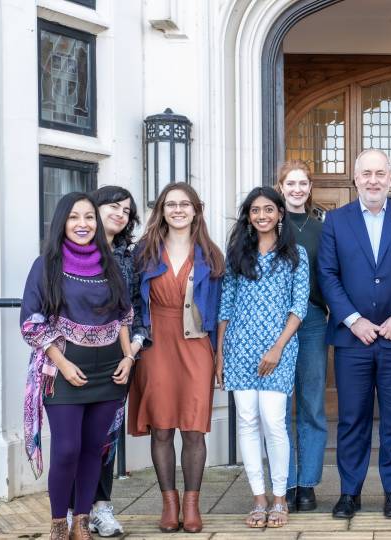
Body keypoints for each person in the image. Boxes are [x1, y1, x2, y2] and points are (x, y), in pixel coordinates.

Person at [318, 149, 391, 519]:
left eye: (380, 173)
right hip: (353, 340)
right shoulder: (336, 221)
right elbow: (328, 275)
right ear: (355, 179)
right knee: (352, 419)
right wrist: (353, 320)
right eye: (366, 173)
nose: (373, 180)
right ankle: (349, 493)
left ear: (390, 178)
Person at [20, 192, 134, 540]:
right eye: (73, 217)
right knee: (68, 448)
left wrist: (128, 357)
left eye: (88, 217)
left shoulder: (109, 264)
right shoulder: (46, 265)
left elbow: (124, 315)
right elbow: (32, 322)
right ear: (61, 222)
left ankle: (82, 522)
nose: (82, 224)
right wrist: (63, 363)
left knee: (94, 449)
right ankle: (59, 523)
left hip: (110, 372)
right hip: (63, 373)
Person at [128, 183, 225, 534]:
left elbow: (220, 311)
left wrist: (219, 356)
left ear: (196, 210)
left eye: (185, 204)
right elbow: (130, 303)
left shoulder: (211, 255)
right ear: (162, 210)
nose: (178, 210)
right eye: (171, 204)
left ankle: (192, 505)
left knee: (194, 429)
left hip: (197, 346)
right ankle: (169, 504)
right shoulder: (144, 252)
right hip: (156, 345)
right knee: (162, 427)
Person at [216, 187, 310, 529]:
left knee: (273, 421)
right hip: (239, 348)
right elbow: (225, 306)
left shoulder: (296, 254)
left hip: (278, 348)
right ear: (249, 216)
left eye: (268, 209)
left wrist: (277, 348)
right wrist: (220, 354)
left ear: (280, 213)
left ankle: (280, 496)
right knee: (247, 420)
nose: (262, 216)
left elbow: (299, 306)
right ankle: (259, 497)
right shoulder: (237, 254)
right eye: (255, 210)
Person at [67, 186, 147, 537]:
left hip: (118, 360)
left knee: (104, 439)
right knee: (73, 441)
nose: (120, 214)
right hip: (73, 360)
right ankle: (72, 511)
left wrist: (132, 353)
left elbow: (137, 310)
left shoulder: (130, 259)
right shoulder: (69, 253)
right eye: (113, 206)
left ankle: (100, 508)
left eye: (127, 210)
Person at [275, 161, 328, 513]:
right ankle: (286, 483)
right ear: (280, 187)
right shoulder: (266, 224)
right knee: (277, 406)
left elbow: (330, 275)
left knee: (311, 403)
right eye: (291, 183)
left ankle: (307, 484)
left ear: (310, 188)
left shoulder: (321, 229)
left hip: (311, 320)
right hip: (272, 323)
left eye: (303, 183)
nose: (297, 189)